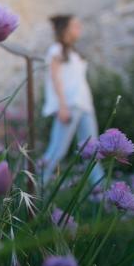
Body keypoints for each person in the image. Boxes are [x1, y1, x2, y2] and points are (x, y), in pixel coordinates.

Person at [41, 14, 103, 183]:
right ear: (65, 29)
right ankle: (35, 189)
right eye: (75, 26)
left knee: (93, 151)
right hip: (69, 105)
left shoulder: (74, 53)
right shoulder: (56, 50)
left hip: (85, 106)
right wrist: (62, 106)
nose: (79, 29)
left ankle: (102, 194)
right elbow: (55, 79)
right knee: (57, 150)